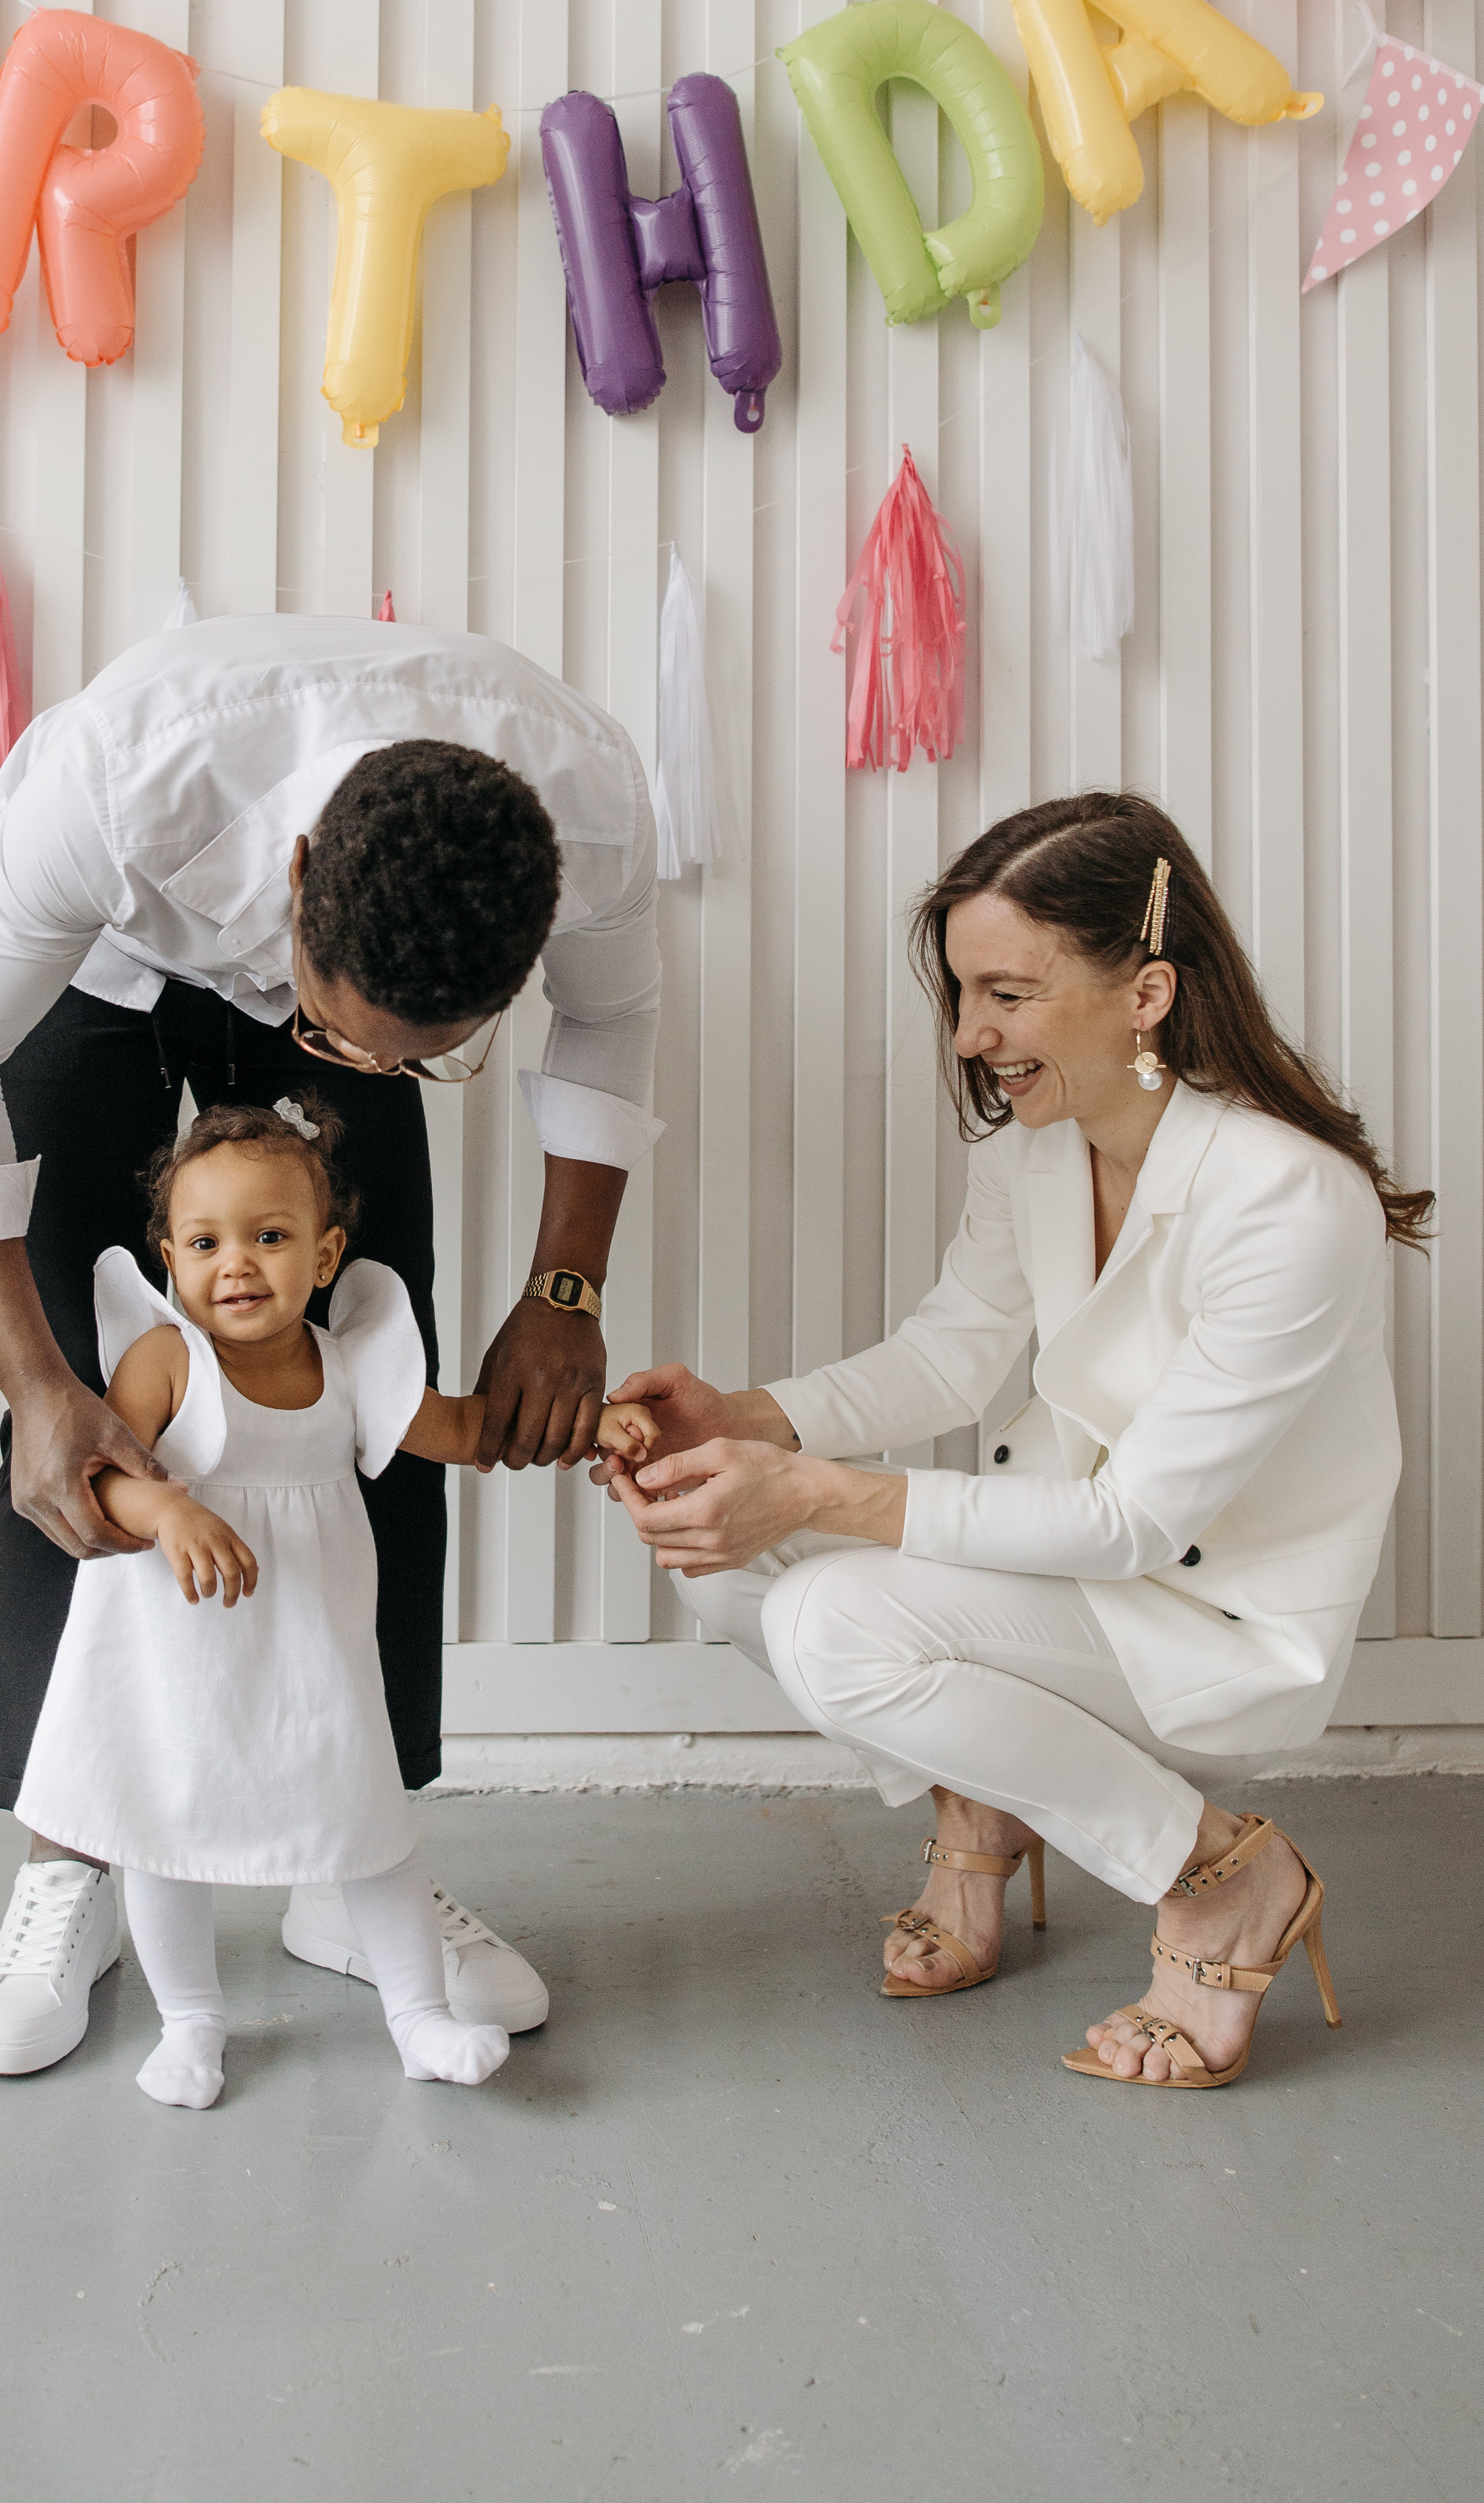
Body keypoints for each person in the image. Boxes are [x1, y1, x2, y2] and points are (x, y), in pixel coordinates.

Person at [0, 615, 663, 2074]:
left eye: (422, 1058)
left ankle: (352, 1861)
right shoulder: (120, 784)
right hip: (98, 962)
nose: (379, 1079)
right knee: (82, 1431)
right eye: (360, 1041)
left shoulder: (589, 807)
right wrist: (39, 1382)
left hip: (345, 946)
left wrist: (565, 1294)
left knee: (382, 1386)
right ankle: (70, 1866)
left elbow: (614, 1024)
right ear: (298, 879)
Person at [603, 794, 1427, 2092]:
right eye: (959, 994)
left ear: (1143, 990)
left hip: (1206, 1618)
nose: (970, 1034)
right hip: (1077, 1566)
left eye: (1007, 993)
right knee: (719, 1550)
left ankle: (1221, 1874)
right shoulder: (1040, 1150)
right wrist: (743, 1421)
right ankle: (978, 1801)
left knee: (829, 1620)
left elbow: (1136, 1526)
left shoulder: (1286, 1200)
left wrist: (817, 1489)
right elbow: (949, 1353)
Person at [8, 1097, 657, 2107]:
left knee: (371, 1824)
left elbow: (464, 1429)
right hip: (178, 1645)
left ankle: (421, 2019)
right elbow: (102, 1479)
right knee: (165, 1830)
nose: (237, 1263)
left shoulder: (346, 1360)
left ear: (324, 1254)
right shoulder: (165, 1360)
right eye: (206, 1241)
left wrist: (591, 1423)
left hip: (309, 1641)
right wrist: (168, 1511)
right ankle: (191, 2023)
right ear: (169, 1258)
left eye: (270, 1237)